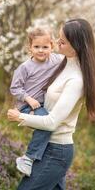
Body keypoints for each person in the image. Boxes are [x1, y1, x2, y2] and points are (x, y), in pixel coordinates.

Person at [8, 18, 95, 190]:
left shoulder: (76, 80)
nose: (57, 43)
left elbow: (51, 122)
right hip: (47, 147)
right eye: (58, 38)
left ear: (76, 45)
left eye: (62, 41)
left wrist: (20, 116)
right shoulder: (61, 63)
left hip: (56, 151)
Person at [10, 27, 63, 176]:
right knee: (47, 124)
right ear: (30, 48)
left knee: (50, 125)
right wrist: (28, 98)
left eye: (45, 47)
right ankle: (28, 158)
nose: (41, 50)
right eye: (37, 47)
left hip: (43, 104)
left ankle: (43, 158)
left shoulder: (56, 60)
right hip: (27, 105)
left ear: (52, 47)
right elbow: (15, 88)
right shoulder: (25, 67)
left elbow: (71, 60)